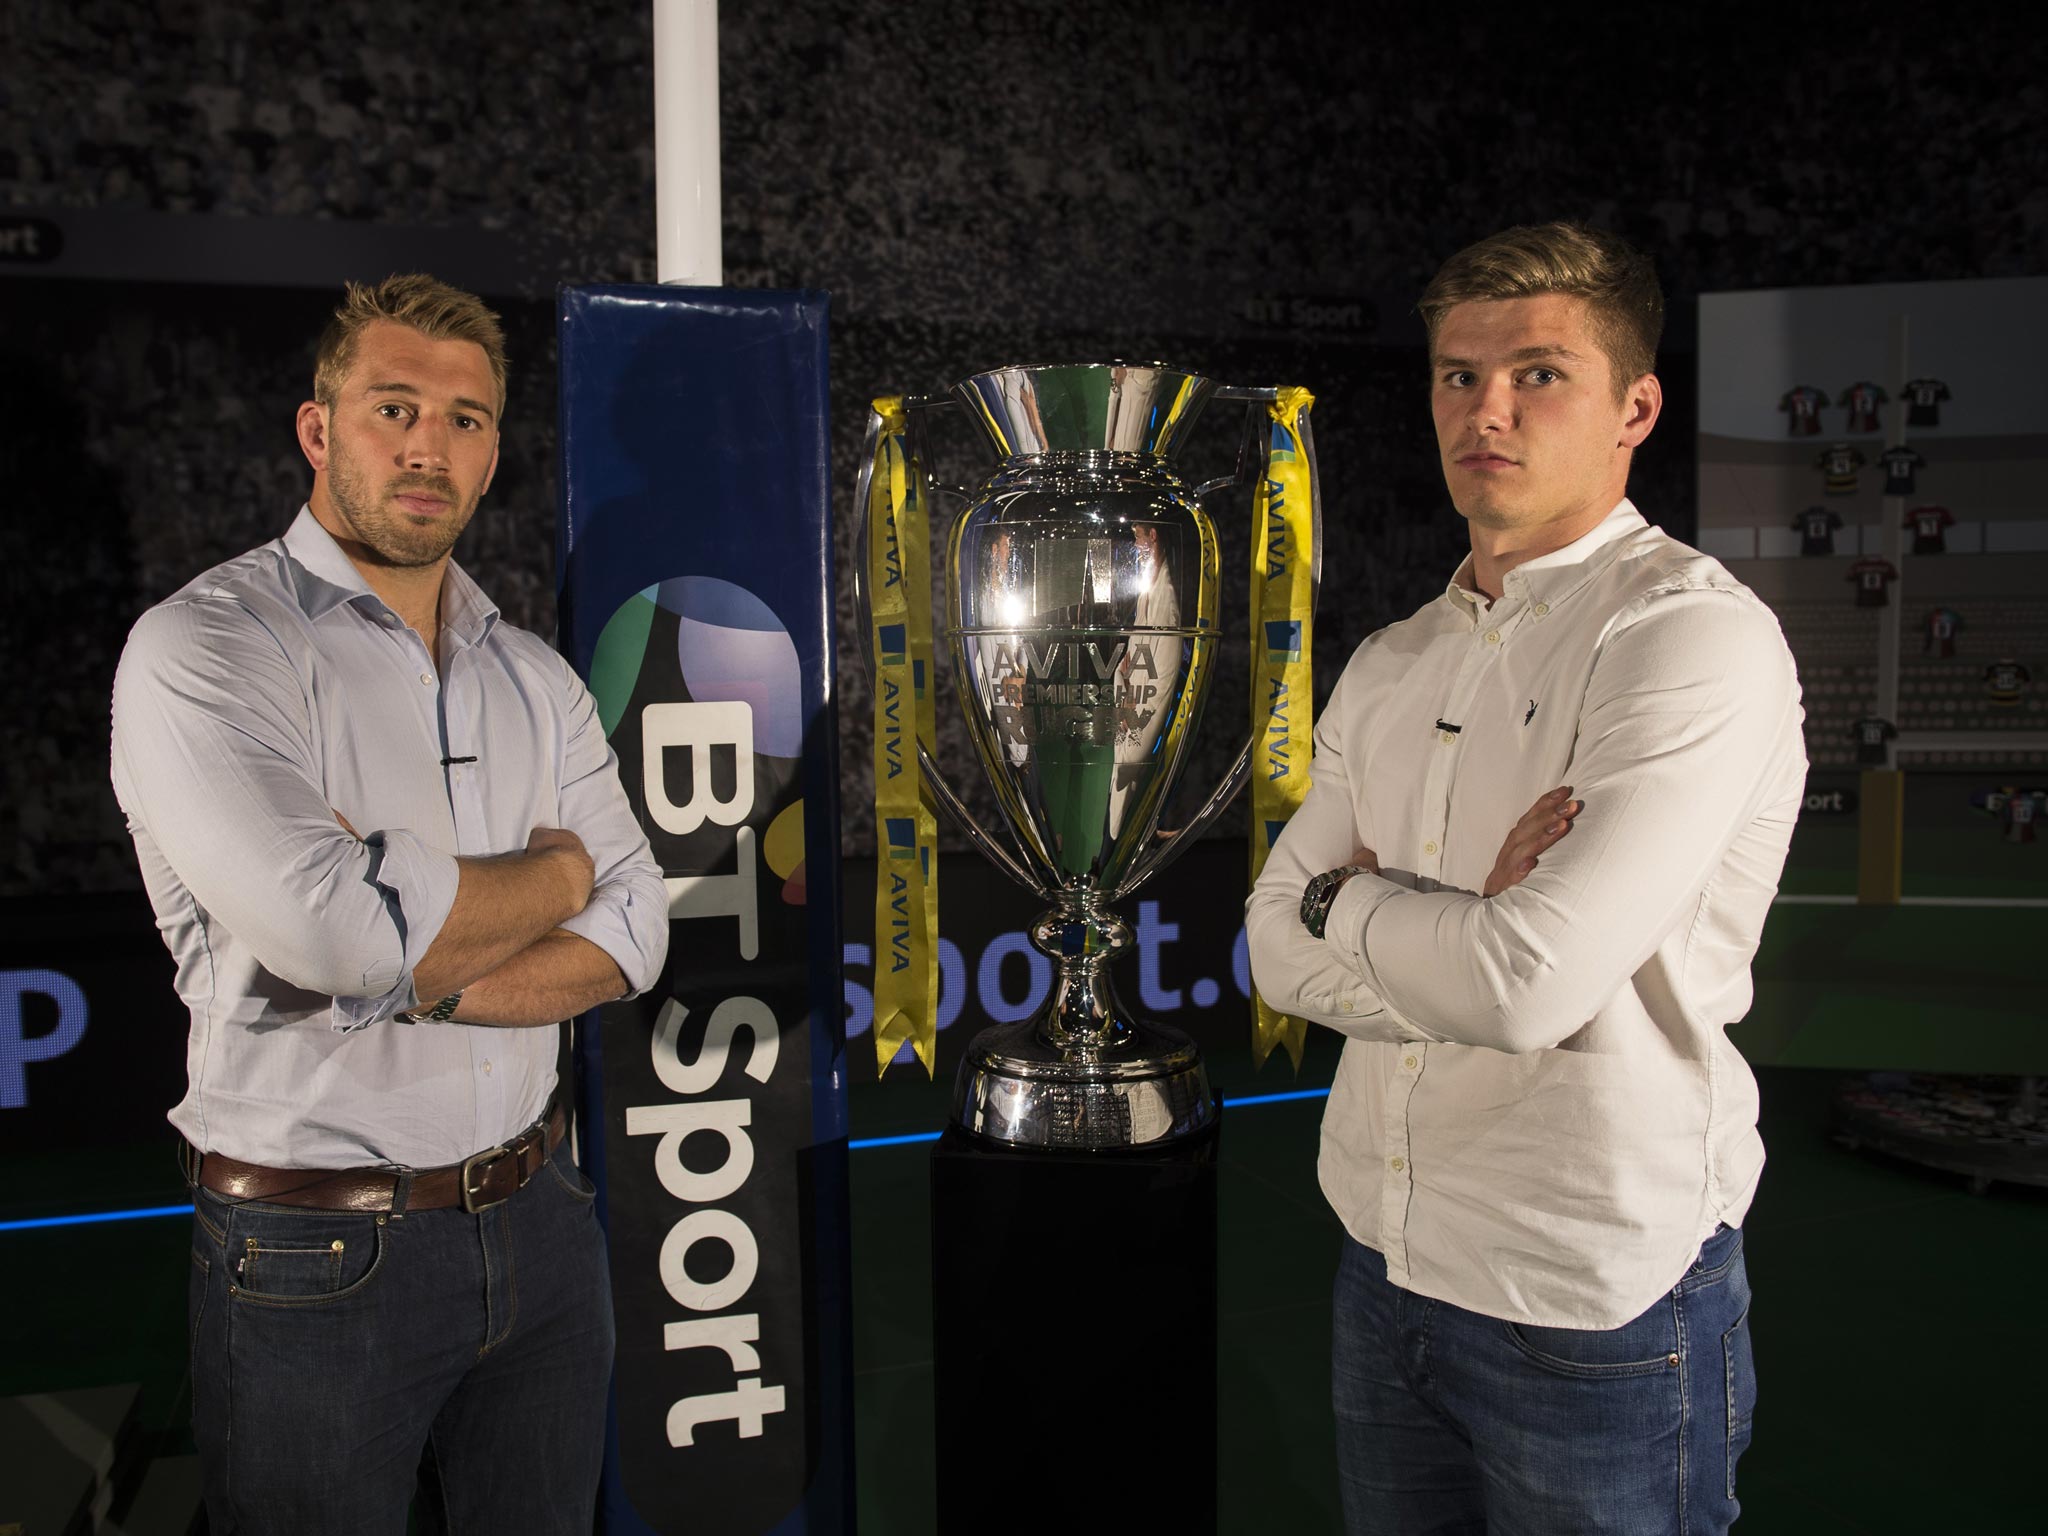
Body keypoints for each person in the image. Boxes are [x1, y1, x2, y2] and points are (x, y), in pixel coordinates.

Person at [1246, 223, 1806, 1535]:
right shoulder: (1391, 659)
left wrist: (1358, 906)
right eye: (1457, 375)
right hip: (1383, 1263)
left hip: (1590, 1299)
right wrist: (1455, 926)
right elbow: (1272, 952)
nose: (1484, 410)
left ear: (1637, 405)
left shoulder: (1689, 638)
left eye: (1538, 373)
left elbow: (1523, 985)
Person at [110, 274, 668, 1534]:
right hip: (310, 1260)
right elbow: (331, 933)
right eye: (394, 407)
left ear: (490, 458)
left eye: (465, 420)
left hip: (540, 1224)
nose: (429, 445)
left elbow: (635, 931)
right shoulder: (207, 647)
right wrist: (556, 878)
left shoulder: (531, 675)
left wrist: (407, 954)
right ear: (318, 430)